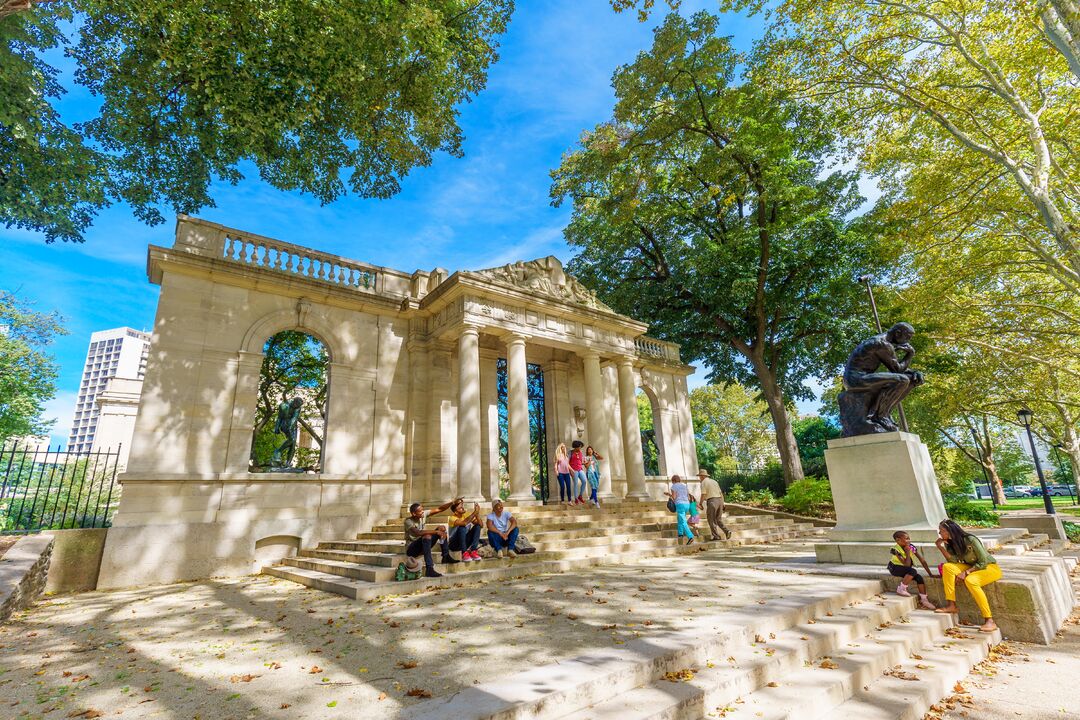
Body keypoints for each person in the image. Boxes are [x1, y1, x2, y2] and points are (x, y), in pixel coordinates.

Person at [934, 519, 1002, 633]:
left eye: (941, 531)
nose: (940, 534)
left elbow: (983, 562)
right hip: (970, 566)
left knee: (971, 580)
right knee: (947, 567)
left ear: (949, 531)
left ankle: (989, 620)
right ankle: (951, 605)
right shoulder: (950, 543)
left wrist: (966, 573)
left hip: (989, 567)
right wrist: (940, 546)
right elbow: (953, 560)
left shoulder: (970, 539)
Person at [403, 498, 460, 578]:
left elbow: (440, 509)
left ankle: (445, 556)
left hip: (424, 544)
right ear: (414, 513)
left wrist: (453, 502)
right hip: (412, 549)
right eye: (420, 511)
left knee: (442, 528)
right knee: (427, 535)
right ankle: (429, 569)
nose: (423, 512)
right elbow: (418, 533)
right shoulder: (408, 521)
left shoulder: (423, 515)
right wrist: (436, 532)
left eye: (422, 510)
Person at [888, 530, 936, 610]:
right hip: (895, 568)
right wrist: (907, 552)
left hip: (906, 569)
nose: (909, 540)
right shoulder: (895, 549)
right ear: (898, 540)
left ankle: (924, 600)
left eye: (909, 538)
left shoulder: (911, 547)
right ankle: (901, 588)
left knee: (919, 578)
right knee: (912, 571)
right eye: (906, 539)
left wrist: (930, 574)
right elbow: (906, 565)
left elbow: (922, 560)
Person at [696, 468, 731, 541]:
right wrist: (723, 503)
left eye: (699, 476)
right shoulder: (714, 481)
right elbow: (720, 493)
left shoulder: (703, 483)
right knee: (718, 519)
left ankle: (716, 536)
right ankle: (727, 531)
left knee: (711, 519)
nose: (699, 478)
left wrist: (700, 503)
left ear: (702, 476)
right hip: (720, 500)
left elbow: (703, 494)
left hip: (712, 501)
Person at [663, 475, 694, 545]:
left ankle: (690, 536)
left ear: (673, 481)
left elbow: (674, 497)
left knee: (683, 521)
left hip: (680, 504)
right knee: (680, 518)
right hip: (687, 504)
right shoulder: (685, 485)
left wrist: (669, 495)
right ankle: (680, 534)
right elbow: (688, 497)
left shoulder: (674, 486)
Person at [569, 441, 588, 505]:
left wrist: (584, 462)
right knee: (576, 483)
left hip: (580, 469)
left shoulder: (580, 453)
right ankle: (576, 498)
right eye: (580, 446)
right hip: (574, 470)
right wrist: (570, 471)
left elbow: (580, 461)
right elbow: (567, 462)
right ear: (576, 446)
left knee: (584, 481)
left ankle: (580, 496)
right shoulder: (571, 453)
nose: (580, 448)